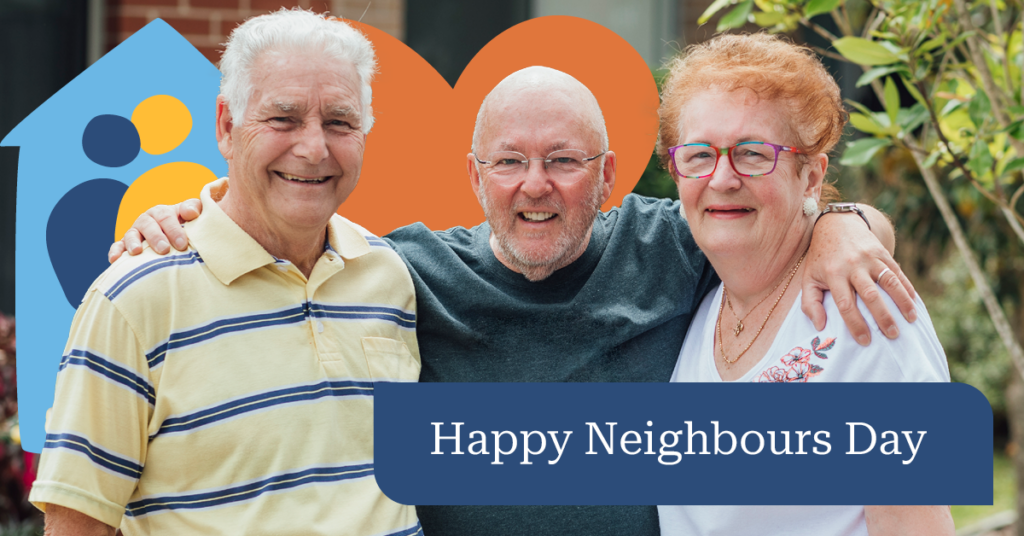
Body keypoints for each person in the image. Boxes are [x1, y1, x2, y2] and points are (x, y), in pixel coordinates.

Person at [111, 66, 916, 535]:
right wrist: (185, 215)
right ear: (474, 176)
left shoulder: (671, 243)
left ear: (607, 177)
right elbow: (280, 241)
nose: (536, 187)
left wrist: (844, 224)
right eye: (509, 163)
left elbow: (765, 213)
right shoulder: (402, 271)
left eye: (564, 161)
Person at [30, 10, 422, 536]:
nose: (313, 147)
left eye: (339, 122)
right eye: (283, 118)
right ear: (226, 126)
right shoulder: (134, 299)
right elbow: (79, 522)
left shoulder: (389, 276)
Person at [656, 33, 953, 535]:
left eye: (752, 153)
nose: (722, 178)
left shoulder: (864, 315)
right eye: (699, 154)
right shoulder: (700, 305)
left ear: (811, 177)